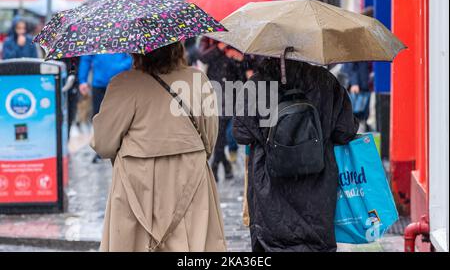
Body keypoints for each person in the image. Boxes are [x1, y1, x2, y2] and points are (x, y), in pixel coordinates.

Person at [91, 42, 226, 252]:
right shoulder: (197, 80)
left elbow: (104, 145)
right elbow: (210, 137)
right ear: (177, 48)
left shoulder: (123, 84)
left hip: (136, 182)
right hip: (190, 176)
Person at [232, 58, 359, 252]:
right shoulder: (325, 81)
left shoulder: (256, 85)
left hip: (269, 196)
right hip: (317, 195)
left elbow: (241, 134)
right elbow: (345, 131)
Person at [198, 40, 245, 182]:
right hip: (214, 90)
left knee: (223, 130)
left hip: (233, 91)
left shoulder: (234, 38)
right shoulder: (207, 39)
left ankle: (217, 164)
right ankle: (221, 164)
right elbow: (203, 56)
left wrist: (237, 58)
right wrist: (219, 47)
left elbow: (244, 64)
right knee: (218, 129)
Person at [78, 52, 132, 162]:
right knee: (98, 118)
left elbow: (132, 57)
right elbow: (86, 58)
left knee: (120, 117)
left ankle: (120, 147)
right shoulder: (94, 37)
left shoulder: (124, 36)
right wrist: (82, 80)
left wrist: (119, 67)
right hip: (99, 84)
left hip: (120, 82)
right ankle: (100, 150)